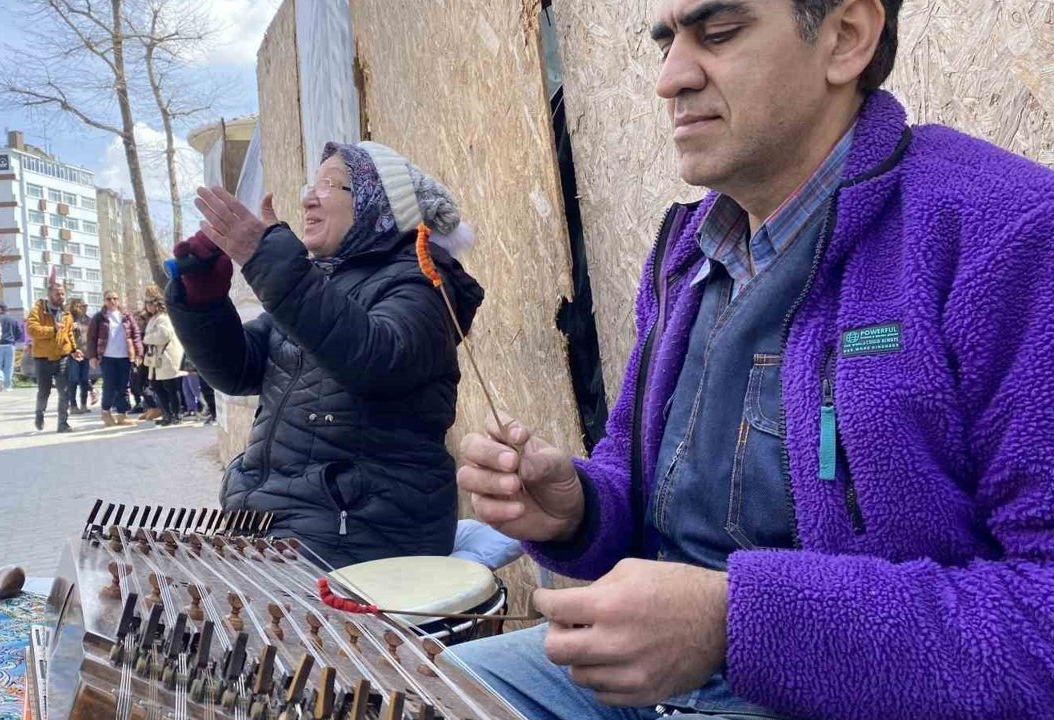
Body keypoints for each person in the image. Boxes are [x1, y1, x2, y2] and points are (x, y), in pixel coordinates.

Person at [450, 1, 1054, 719]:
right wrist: (577, 511)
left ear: (846, 38)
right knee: (426, 686)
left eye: (719, 34)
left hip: (851, 699)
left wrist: (732, 621)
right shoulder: (688, 251)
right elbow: (644, 485)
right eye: (667, 43)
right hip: (663, 686)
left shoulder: (1004, 232)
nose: (670, 79)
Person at [172, 140, 484, 569]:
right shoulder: (316, 285)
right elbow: (238, 371)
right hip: (273, 521)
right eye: (311, 185)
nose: (308, 199)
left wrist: (272, 262)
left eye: (331, 185)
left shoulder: (421, 282)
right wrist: (202, 300)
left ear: (378, 202)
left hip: (360, 532)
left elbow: (377, 359)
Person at [26, 282, 77, 433]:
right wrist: (52, 330)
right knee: (44, 391)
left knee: (64, 392)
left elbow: (69, 333)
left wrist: (74, 349)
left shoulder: (66, 313)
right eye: (57, 294)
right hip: (43, 358)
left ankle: (63, 423)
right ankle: (39, 414)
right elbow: (32, 330)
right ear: (49, 295)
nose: (61, 297)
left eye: (62, 294)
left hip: (62, 357)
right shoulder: (38, 310)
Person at [87, 289, 142, 426]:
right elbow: (91, 338)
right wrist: (92, 356)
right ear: (104, 301)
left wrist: (138, 352)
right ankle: (105, 412)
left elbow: (135, 334)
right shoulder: (99, 317)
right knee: (109, 386)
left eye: (115, 298)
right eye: (109, 299)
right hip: (107, 357)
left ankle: (122, 415)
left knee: (123, 386)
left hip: (125, 356)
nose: (112, 301)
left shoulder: (126, 316)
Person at [142, 296, 185, 426]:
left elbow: (163, 336)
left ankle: (176, 414)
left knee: (170, 387)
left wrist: (147, 338)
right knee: (157, 387)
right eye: (147, 303)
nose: (149, 306)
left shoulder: (164, 318)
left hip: (165, 356)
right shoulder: (153, 319)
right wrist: (148, 338)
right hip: (156, 358)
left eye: (151, 303)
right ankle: (167, 413)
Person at [67, 297, 93, 414]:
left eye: (85, 306)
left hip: (86, 353)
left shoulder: (88, 320)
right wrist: (72, 328)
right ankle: (73, 405)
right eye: (81, 306)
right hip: (73, 354)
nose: (84, 308)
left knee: (84, 380)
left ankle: (83, 404)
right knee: (73, 379)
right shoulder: (70, 319)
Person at [0, 303, 23, 391]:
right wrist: (14, 339)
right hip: (10, 345)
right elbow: (19, 332)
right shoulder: (13, 320)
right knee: (9, 366)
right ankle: (7, 386)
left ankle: (0, 378)